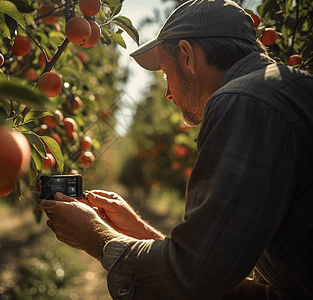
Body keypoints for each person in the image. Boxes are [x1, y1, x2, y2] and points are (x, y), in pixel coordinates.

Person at [37, 0, 313, 298]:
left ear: (187, 56)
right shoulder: (283, 91)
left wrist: (97, 240)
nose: (167, 93)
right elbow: (218, 274)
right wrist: (139, 235)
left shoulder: (245, 100)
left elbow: (194, 276)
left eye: (166, 74)